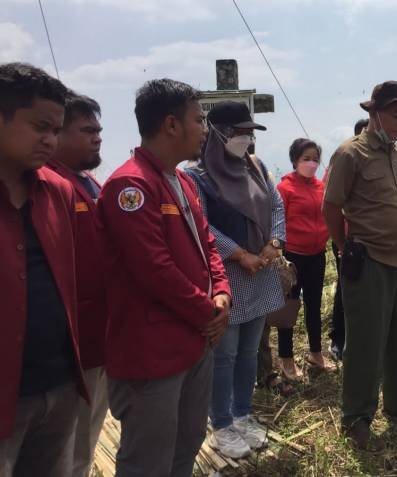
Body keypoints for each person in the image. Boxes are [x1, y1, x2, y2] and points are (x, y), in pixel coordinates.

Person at [98, 79, 231, 477]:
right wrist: (207, 309)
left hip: (194, 339)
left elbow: (207, 244)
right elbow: (153, 269)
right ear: (171, 125)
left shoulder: (182, 180)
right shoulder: (131, 185)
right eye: (199, 119)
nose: (205, 129)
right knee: (148, 461)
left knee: (186, 445)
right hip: (153, 350)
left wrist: (222, 293)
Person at [323, 80, 397, 450]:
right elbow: (331, 206)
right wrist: (342, 247)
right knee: (366, 344)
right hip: (370, 262)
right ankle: (356, 418)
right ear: (374, 113)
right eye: (395, 115)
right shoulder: (351, 154)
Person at [0, 62, 87, 477]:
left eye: (56, 129)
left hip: (58, 383)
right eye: (40, 127)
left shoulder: (58, 192)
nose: (51, 140)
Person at [185, 100, 285, 458]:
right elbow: (201, 224)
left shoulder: (255, 168)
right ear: (220, 133)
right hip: (227, 276)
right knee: (224, 354)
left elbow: (276, 205)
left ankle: (243, 413)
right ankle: (222, 423)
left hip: (261, 271)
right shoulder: (196, 176)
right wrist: (240, 254)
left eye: (249, 133)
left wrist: (274, 243)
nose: (247, 140)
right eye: (241, 133)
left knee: (247, 353)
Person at [45, 93, 109, 477]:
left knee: (87, 435)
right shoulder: (48, 186)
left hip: (99, 335)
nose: (98, 137)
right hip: (69, 344)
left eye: (99, 129)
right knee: (64, 443)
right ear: (57, 134)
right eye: (87, 130)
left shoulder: (89, 183)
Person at [277, 138, 333, 376]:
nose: (311, 163)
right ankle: (285, 357)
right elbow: (279, 223)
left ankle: (315, 352)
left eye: (315, 159)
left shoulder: (321, 187)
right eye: (305, 159)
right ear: (294, 161)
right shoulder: (285, 188)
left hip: (317, 255)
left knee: (314, 305)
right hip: (293, 257)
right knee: (289, 306)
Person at [327, 118, 369, 361]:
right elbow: (331, 202)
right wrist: (341, 242)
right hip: (349, 238)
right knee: (347, 287)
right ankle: (338, 338)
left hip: (376, 241)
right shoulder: (345, 158)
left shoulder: (386, 157)